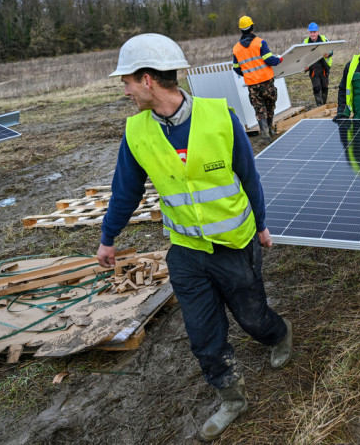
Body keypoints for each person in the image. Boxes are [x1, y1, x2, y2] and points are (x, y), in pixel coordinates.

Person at [97, 33, 292, 441]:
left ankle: (279, 334)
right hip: (186, 252)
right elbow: (125, 191)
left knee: (253, 318)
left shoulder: (220, 116)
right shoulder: (136, 132)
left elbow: (249, 176)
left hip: (235, 245)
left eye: (127, 81)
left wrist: (261, 225)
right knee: (203, 335)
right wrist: (108, 237)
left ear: (147, 79)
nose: (125, 90)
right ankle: (232, 399)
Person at [232, 15, 282, 142]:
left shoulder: (236, 48)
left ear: (241, 29)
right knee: (270, 106)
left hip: (252, 85)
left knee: (259, 110)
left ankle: (265, 136)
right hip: (266, 82)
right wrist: (279, 59)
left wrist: (248, 74)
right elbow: (269, 60)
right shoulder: (260, 43)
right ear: (252, 27)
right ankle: (270, 131)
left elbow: (236, 68)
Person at [302, 22, 333, 106]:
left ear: (318, 32)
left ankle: (324, 104)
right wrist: (305, 66)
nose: (313, 34)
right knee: (316, 87)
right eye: (311, 32)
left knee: (325, 86)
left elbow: (331, 50)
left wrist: (328, 54)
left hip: (324, 67)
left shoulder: (324, 39)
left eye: (314, 32)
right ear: (309, 33)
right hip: (313, 68)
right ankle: (319, 105)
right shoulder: (305, 42)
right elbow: (302, 56)